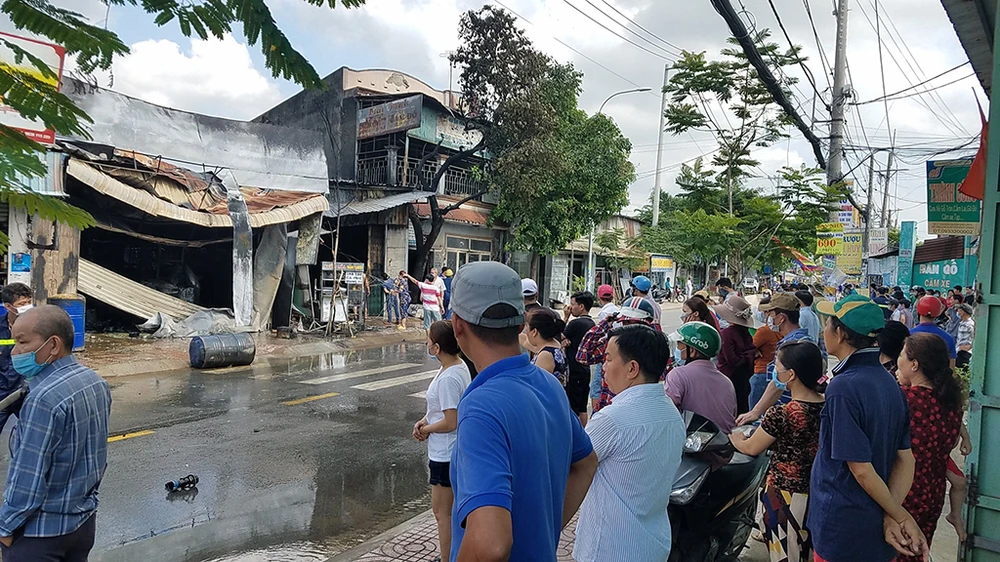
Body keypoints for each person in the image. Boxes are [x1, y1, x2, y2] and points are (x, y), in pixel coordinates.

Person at [447, 262, 596, 561]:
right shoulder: (548, 384)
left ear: (457, 324)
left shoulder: (481, 407)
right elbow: (586, 463)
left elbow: (491, 546)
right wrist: (542, 532)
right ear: (520, 326)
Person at [809, 294, 928, 562]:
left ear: (840, 333)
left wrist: (899, 516)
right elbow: (906, 460)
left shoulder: (843, 387)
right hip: (875, 524)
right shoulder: (890, 383)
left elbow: (861, 469)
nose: (824, 331)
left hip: (843, 524)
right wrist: (891, 513)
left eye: (827, 324)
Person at [0, 305, 111, 561]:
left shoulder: (43, 399)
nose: (14, 351)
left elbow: (27, 480)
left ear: (52, 345)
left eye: (22, 342)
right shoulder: (95, 382)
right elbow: (97, 459)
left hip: (41, 535)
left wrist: (5, 528)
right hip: (82, 525)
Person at [574, 325, 685, 562]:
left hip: (610, 547)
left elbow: (571, 465)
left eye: (608, 359)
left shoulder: (612, 419)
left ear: (632, 368)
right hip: (653, 544)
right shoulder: (672, 414)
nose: (603, 367)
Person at [730, 341, 825, 562]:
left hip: (786, 498)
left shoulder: (783, 414)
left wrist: (736, 438)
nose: (775, 372)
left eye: (778, 367)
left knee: (787, 554)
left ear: (791, 374)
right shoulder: (828, 405)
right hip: (819, 492)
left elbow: (751, 447)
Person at [895, 333, 964, 562]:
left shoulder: (903, 400)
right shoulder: (952, 404)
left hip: (900, 494)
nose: (898, 361)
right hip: (933, 494)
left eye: (902, 355)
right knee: (918, 551)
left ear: (914, 364)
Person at [412, 321, 472, 562]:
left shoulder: (449, 377)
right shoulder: (455, 366)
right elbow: (441, 409)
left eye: (428, 339)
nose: (426, 342)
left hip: (445, 453)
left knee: (442, 513)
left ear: (437, 347)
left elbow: (451, 421)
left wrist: (426, 429)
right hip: (450, 450)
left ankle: (447, 558)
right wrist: (424, 420)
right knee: (450, 512)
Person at [738, 293, 813, 425]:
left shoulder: (790, 346)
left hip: (789, 412)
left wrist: (755, 412)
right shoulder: (804, 340)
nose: (768, 318)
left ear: (781, 318)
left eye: (770, 314)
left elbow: (778, 383)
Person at [577, 297, 657, 414]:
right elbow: (583, 356)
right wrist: (604, 325)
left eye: (634, 323)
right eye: (625, 322)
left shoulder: (655, 349)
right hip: (608, 408)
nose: (628, 328)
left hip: (635, 411)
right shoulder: (614, 345)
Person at [664, 321, 737, 433]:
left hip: (693, 440)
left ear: (692, 350)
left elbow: (666, 411)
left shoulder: (678, 375)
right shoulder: (726, 382)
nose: (677, 348)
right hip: (724, 440)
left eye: (680, 344)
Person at [714, 296, 756, 414]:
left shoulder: (727, 334)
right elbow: (752, 351)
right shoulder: (745, 332)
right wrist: (749, 356)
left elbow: (732, 359)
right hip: (744, 375)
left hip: (730, 376)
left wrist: (745, 356)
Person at [0, 283, 31, 434]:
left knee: (33, 433)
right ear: (8, 306)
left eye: (29, 302)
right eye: (22, 304)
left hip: (26, 391)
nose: (27, 307)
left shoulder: (37, 327)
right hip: (2, 392)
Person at [562, 292, 596, 425]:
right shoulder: (591, 323)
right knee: (582, 407)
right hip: (584, 369)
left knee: (573, 407)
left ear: (581, 306)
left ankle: (574, 433)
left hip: (574, 369)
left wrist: (565, 317)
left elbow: (557, 335)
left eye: (572, 304)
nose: (570, 307)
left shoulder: (576, 323)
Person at [750, 297, 782, 413]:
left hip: (761, 372)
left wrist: (754, 351)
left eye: (765, 312)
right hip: (776, 374)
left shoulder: (764, 331)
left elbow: (749, 349)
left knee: (755, 412)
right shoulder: (784, 331)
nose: (764, 315)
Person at [525, 308, 569, 385]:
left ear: (534, 331)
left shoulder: (545, 355)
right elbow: (524, 340)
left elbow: (538, 385)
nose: (526, 332)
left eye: (527, 327)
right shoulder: (555, 344)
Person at [910, 296, 957, 365]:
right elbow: (951, 367)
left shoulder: (908, 335)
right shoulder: (948, 338)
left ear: (917, 310)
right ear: (938, 313)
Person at [956, 303, 974, 368]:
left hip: (965, 353)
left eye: (959, 310)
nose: (958, 312)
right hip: (959, 350)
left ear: (963, 312)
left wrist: (969, 347)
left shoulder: (970, 324)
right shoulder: (961, 323)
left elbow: (975, 337)